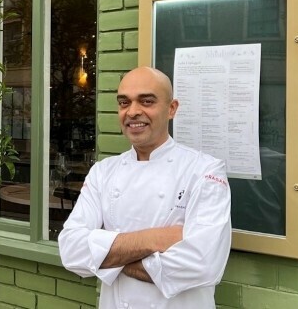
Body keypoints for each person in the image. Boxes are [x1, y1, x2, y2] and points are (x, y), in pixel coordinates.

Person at [58, 66, 231, 309]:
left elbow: (203, 264)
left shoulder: (205, 171)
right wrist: (156, 238)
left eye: (147, 101)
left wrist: (105, 257)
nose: (133, 112)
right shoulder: (103, 172)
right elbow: (71, 251)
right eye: (124, 102)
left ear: (172, 109)